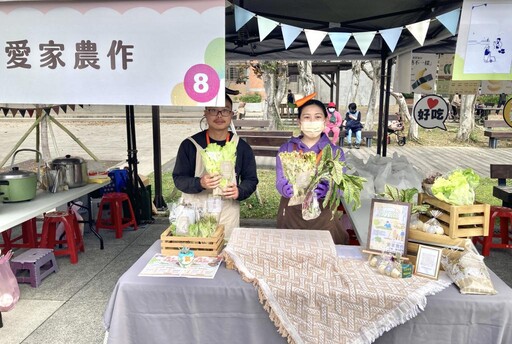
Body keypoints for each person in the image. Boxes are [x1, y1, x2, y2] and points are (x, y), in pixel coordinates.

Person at [172, 94, 258, 239]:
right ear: (205, 112)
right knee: (195, 253)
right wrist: (199, 182)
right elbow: (178, 179)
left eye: (225, 110)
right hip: (195, 210)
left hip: (227, 211)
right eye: (213, 110)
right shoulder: (190, 145)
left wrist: (239, 191)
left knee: (224, 251)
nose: (219, 115)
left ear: (232, 114)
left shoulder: (241, 147)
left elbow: (251, 180)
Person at [275, 98, 347, 244]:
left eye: (318, 117)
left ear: (325, 121)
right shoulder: (286, 149)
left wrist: (330, 189)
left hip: (323, 220)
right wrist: (283, 187)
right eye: (307, 117)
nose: (312, 121)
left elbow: (342, 186)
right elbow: (279, 179)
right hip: (291, 218)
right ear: (299, 122)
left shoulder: (335, 152)